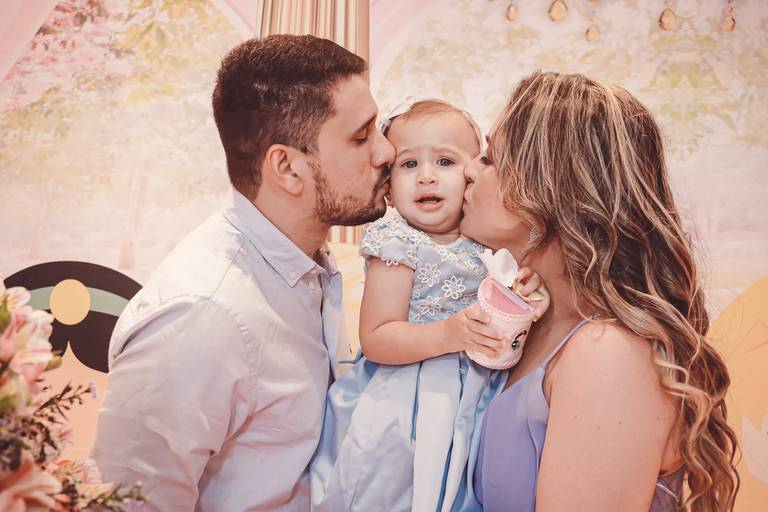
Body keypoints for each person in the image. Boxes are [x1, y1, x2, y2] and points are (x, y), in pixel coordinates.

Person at [90, 34, 394, 511]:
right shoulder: (201, 316)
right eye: (361, 136)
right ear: (287, 167)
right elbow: (127, 503)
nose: (386, 152)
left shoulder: (305, 262)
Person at [462, 71, 740, 511]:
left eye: (490, 159)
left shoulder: (608, 353)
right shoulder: (536, 328)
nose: (468, 170)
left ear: (547, 190)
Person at [310, 99, 548, 511]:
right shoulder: (398, 242)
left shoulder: (487, 243)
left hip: (472, 395)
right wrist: (447, 334)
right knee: (391, 489)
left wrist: (522, 292)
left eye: (445, 161)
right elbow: (377, 337)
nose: (426, 177)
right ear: (388, 188)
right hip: (405, 399)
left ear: (471, 175)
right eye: (408, 164)